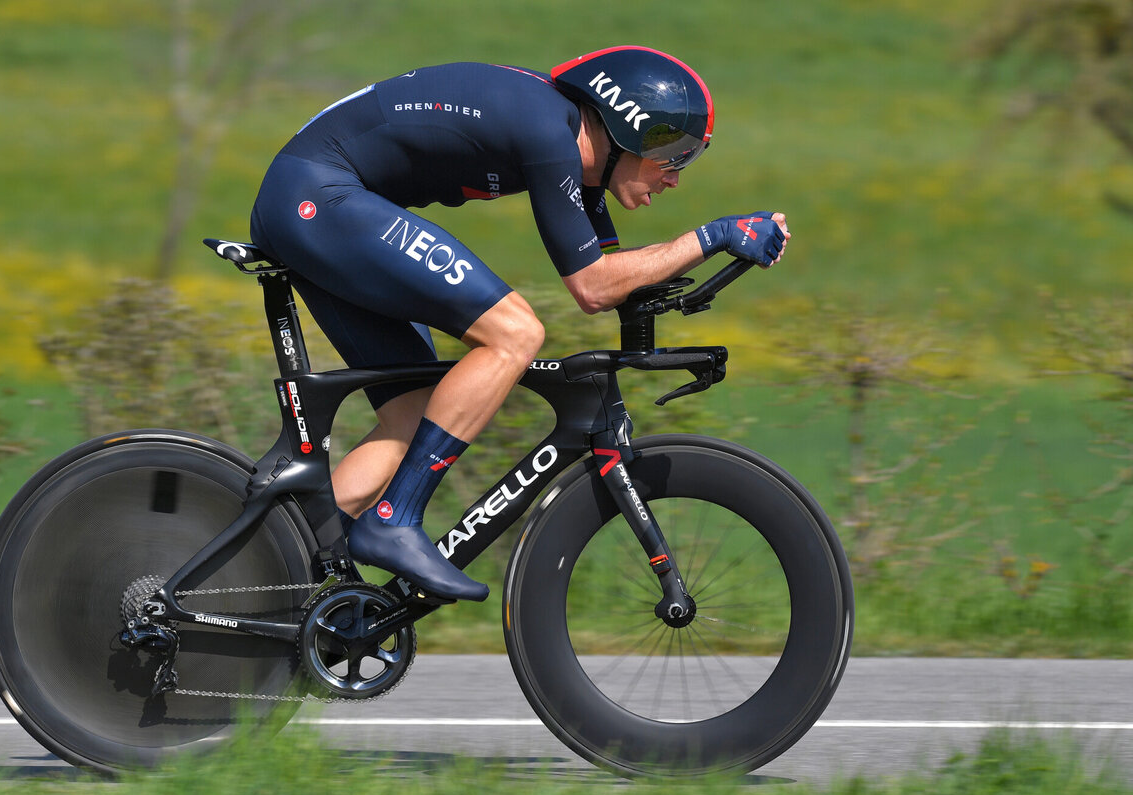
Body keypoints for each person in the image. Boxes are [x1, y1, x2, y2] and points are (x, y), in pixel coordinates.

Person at [249, 46, 790, 602]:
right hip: (318, 195)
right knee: (515, 333)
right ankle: (395, 520)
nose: (675, 178)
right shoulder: (547, 135)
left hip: (315, 198)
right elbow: (593, 285)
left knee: (412, 415)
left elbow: (615, 282)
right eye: (674, 156)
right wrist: (711, 236)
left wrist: (714, 264)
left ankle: (280, 576)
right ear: (631, 129)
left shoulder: (568, 146)